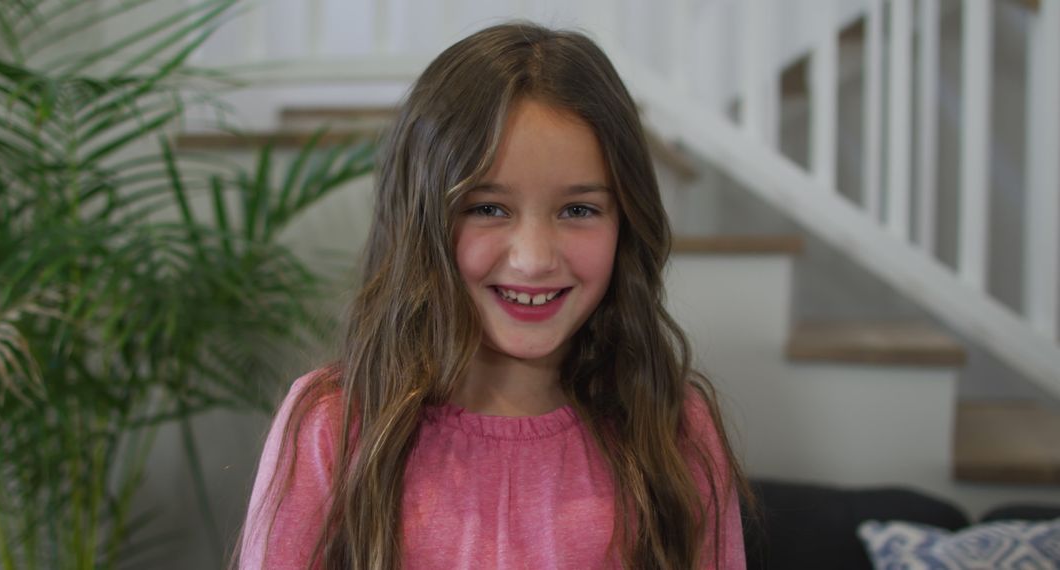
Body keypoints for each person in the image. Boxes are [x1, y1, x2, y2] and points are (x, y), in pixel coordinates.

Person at [237, 22, 749, 570]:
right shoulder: (334, 426)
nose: (533, 258)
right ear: (423, 222)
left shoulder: (675, 428)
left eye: (578, 211)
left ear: (627, 223)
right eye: (488, 208)